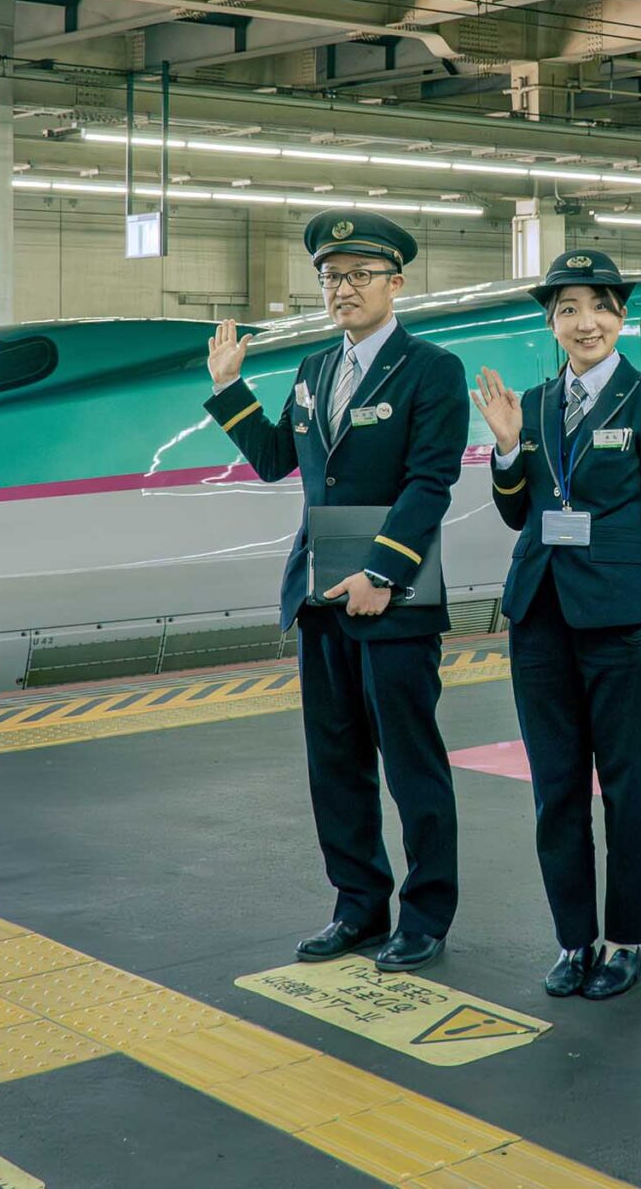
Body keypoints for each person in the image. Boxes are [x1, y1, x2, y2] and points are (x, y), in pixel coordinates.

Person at [204, 210, 468, 973]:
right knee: (336, 763)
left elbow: (430, 482)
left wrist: (382, 571)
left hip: (395, 596)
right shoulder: (314, 369)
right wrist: (229, 388)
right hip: (321, 591)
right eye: (330, 276)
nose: (342, 288)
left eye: (358, 275)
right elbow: (273, 458)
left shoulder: (431, 369)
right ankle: (358, 906)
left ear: (396, 282)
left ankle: (426, 915)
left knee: (411, 764)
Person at [471, 250, 641, 1002]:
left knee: (626, 783)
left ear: (620, 318)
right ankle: (574, 939)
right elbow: (518, 512)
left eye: (599, 307)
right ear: (552, 322)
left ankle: (626, 940)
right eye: (568, 309)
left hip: (623, 616)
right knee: (555, 787)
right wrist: (506, 448)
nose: (584, 322)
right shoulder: (530, 405)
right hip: (539, 614)